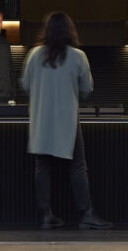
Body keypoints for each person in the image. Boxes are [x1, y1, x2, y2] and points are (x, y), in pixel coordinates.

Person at [21, 12, 112, 230]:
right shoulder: (78, 56)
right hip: (68, 121)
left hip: (40, 120)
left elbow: (25, 85)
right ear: (70, 31)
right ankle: (87, 213)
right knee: (78, 167)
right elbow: (86, 89)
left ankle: (46, 214)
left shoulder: (34, 55)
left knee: (42, 167)